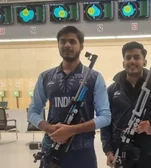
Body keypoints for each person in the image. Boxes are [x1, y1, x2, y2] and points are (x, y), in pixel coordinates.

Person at [27, 26, 111, 168]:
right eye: (63, 41)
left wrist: (72, 130)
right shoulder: (45, 77)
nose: (67, 45)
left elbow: (105, 117)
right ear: (58, 45)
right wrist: (49, 129)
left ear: (81, 46)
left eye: (72, 41)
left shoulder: (94, 77)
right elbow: (33, 112)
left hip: (82, 153)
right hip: (51, 149)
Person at [100, 41, 151, 168]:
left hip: (148, 153)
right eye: (128, 57)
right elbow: (105, 122)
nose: (132, 61)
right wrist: (108, 150)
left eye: (137, 57)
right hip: (120, 151)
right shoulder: (111, 91)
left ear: (144, 62)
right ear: (123, 63)